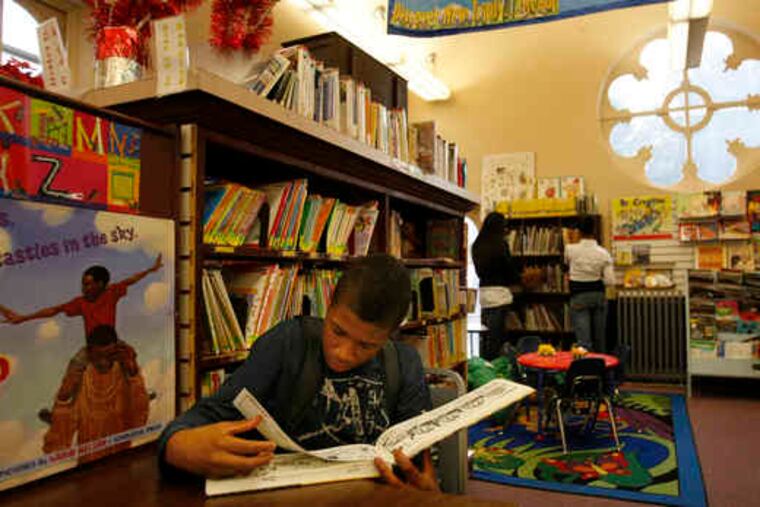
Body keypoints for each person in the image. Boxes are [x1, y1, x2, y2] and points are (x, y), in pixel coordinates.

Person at [159, 254, 438, 491]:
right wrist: (178, 445)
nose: (343, 352)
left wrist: (425, 492)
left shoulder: (404, 364)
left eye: (366, 345)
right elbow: (206, 416)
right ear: (328, 305)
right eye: (337, 331)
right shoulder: (288, 344)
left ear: (392, 334)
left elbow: (422, 466)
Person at [0, 255, 163, 403]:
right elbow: (54, 310)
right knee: (73, 371)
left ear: (100, 284)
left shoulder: (111, 293)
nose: (83, 288)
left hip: (113, 344)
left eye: (87, 284)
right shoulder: (81, 303)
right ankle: (61, 408)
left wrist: (150, 270)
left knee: (130, 362)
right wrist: (23, 318)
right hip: (92, 348)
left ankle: (139, 396)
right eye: (83, 284)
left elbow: (131, 280)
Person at [41, 325, 150, 464]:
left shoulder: (125, 371)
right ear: (89, 353)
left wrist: (133, 373)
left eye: (108, 355)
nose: (103, 362)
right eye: (98, 356)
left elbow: (139, 422)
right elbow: (56, 447)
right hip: (89, 465)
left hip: (123, 460)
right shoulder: (81, 378)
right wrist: (64, 395)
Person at [471, 212, 520, 360]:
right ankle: (496, 368)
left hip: (484, 295)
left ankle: (485, 363)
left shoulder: (477, 245)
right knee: (497, 338)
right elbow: (508, 269)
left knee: (486, 336)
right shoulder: (500, 244)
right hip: (500, 295)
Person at [564, 216, 614, 352]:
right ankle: (600, 370)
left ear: (578, 232)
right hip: (598, 295)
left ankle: (585, 371)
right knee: (600, 339)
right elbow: (610, 281)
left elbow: (567, 266)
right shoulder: (604, 253)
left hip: (578, 296)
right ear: (595, 231)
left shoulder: (570, 250)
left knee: (584, 342)